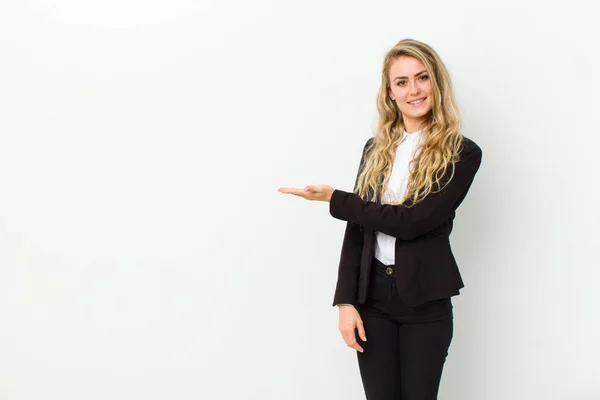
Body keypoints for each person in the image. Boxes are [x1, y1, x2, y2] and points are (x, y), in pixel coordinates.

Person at [278, 38, 482, 400]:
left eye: (422, 78)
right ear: (390, 92)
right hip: (372, 299)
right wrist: (345, 301)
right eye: (402, 82)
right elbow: (359, 229)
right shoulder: (375, 149)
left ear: (437, 83)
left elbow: (413, 222)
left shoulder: (462, 152)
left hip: (424, 302)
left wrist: (335, 198)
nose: (414, 90)